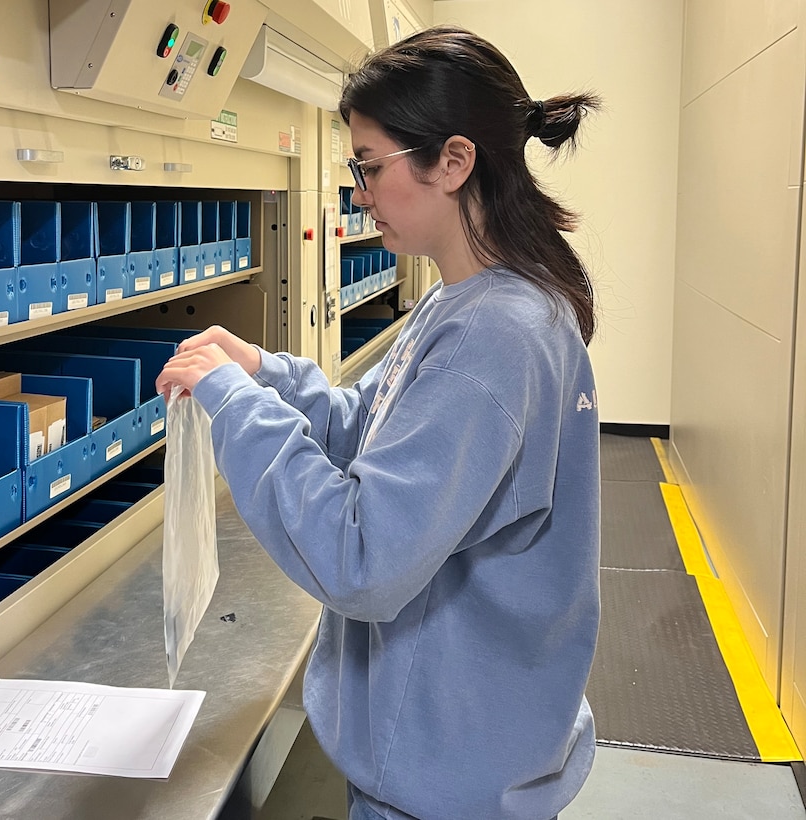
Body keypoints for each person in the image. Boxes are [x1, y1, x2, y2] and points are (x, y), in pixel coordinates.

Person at [156, 24, 602, 820]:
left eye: (369, 166)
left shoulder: (495, 335)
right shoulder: (466, 301)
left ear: (454, 162)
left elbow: (362, 558)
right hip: (463, 746)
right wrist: (267, 374)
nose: (359, 193)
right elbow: (375, 434)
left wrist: (233, 403)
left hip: (449, 771)